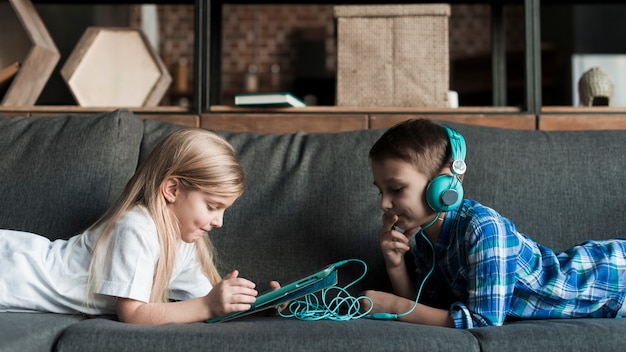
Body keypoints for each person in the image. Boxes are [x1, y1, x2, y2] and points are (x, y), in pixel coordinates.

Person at [362, 118, 626, 329]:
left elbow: (484, 321)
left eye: (396, 189)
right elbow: (425, 310)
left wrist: (393, 307)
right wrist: (395, 265)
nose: (384, 203)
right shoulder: (423, 242)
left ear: (443, 186)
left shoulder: (482, 228)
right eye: (381, 191)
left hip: (611, 276)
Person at [0, 128, 275, 324]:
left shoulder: (183, 241)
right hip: (13, 270)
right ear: (172, 189)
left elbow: (210, 304)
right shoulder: (137, 227)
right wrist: (207, 305)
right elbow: (133, 314)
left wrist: (265, 306)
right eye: (213, 207)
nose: (219, 222)